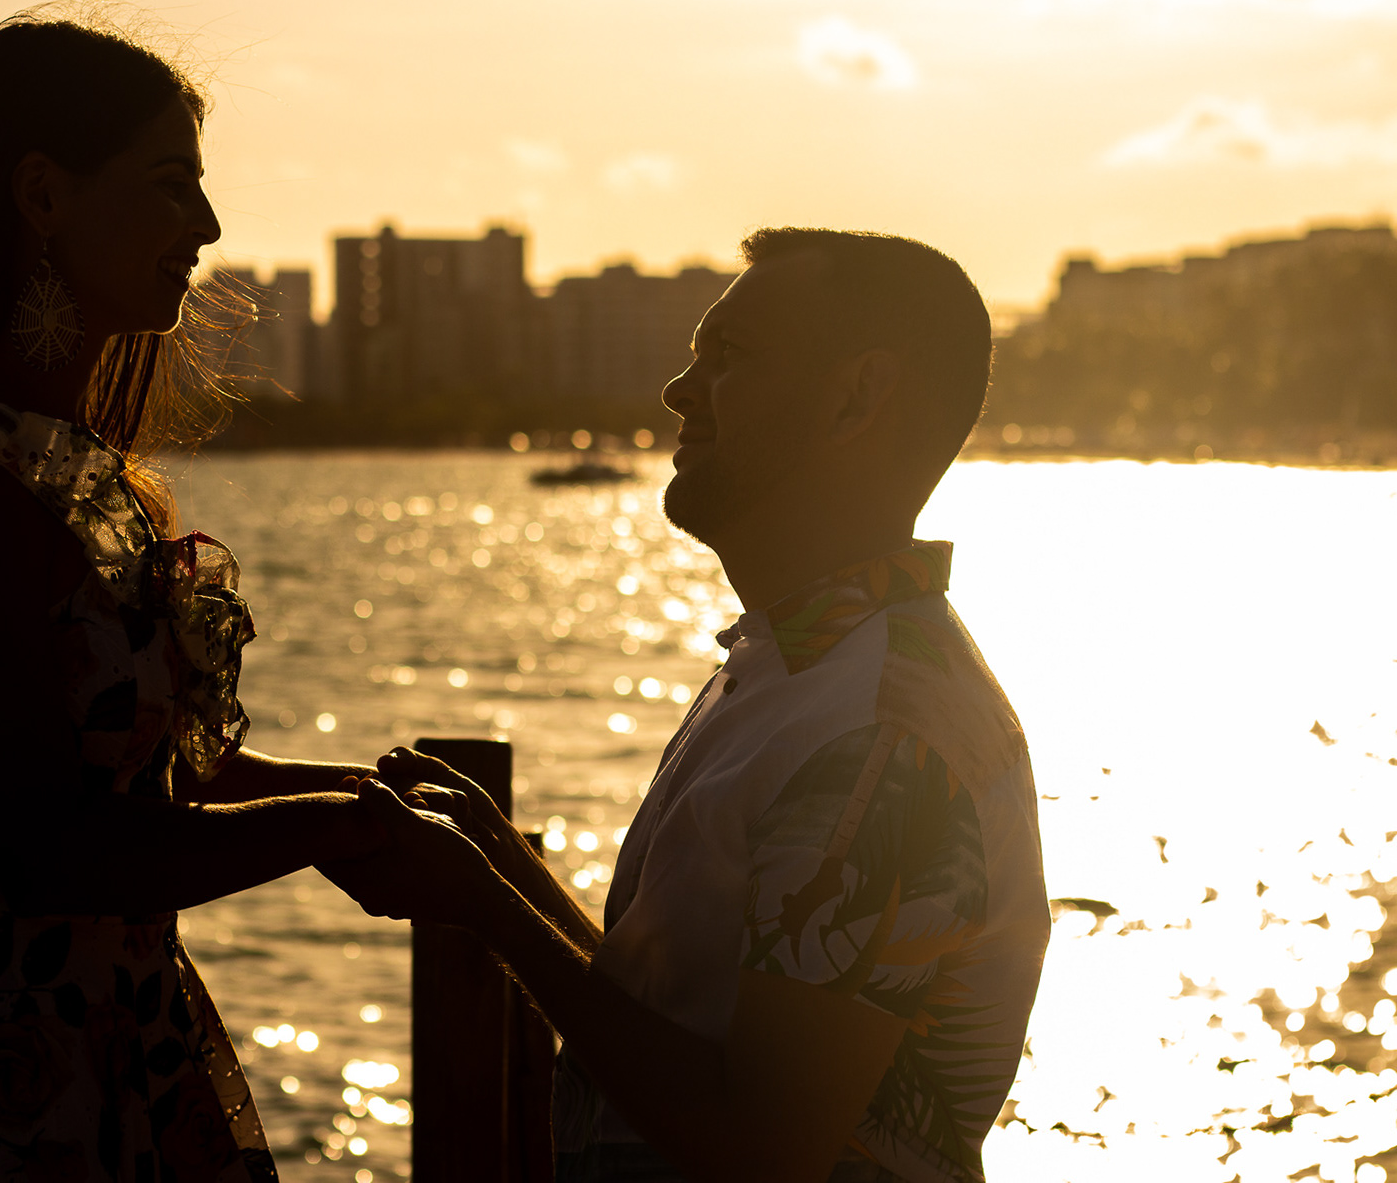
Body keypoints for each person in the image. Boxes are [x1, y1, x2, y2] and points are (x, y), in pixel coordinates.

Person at [0, 4, 441, 1183]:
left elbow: (155, 779)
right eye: (170, 183)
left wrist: (368, 792)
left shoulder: (67, 475)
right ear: (43, 194)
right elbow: (51, 847)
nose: (207, 224)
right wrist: (335, 828)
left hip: (111, 1024)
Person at [326, 229, 1051, 1183]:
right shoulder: (801, 667)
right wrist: (507, 872)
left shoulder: (875, 729)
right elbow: (687, 1020)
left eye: (728, 356)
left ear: (856, 398)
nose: (678, 390)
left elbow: (759, 1148)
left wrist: (494, 911)